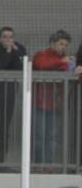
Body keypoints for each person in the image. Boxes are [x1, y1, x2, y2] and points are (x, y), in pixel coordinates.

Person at [0, 27, 27, 166]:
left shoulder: (19, 49)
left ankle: (1, 161)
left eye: (10, 37)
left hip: (8, 95)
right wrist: (8, 51)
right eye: (5, 37)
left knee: (3, 129)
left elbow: (20, 68)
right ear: (0, 38)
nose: (8, 40)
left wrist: (14, 52)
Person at [32, 30, 73, 167]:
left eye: (66, 45)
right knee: (39, 137)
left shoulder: (66, 60)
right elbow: (42, 65)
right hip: (40, 103)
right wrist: (61, 62)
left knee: (52, 138)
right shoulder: (41, 55)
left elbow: (69, 70)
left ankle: (48, 165)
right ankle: (38, 165)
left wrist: (64, 63)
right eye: (61, 44)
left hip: (56, 105)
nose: (63, 47)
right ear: (52, 44)